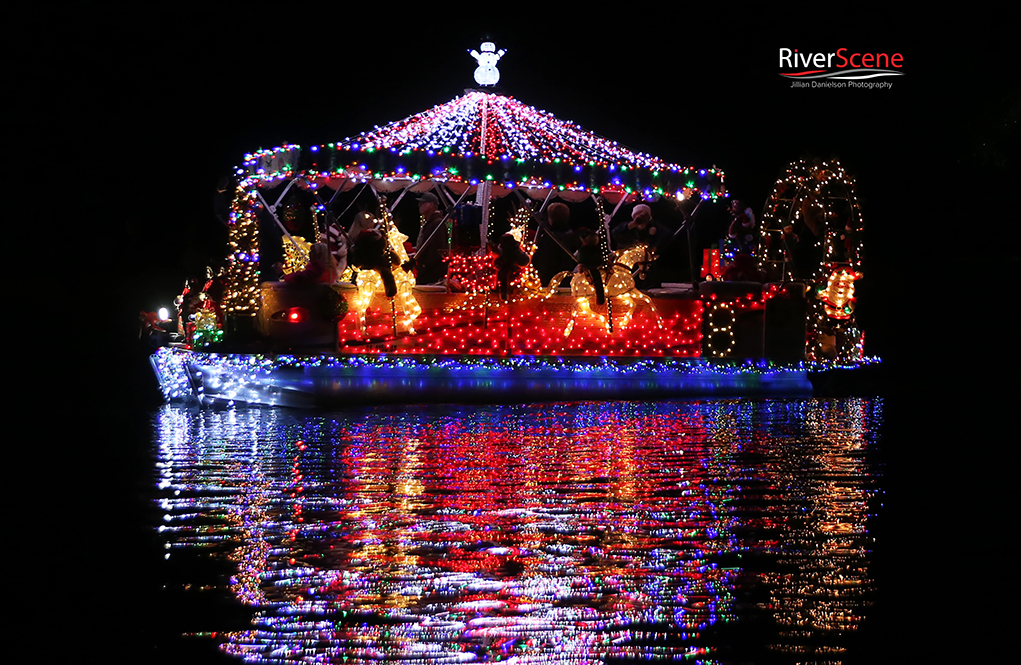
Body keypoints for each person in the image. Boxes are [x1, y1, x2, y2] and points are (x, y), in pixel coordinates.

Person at [531, 202, 579, 285]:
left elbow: (540, 258)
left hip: (548, 276)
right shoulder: (573, 235)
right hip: (567, 276)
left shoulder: (548, 236)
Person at [412, 192, 448, 285]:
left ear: (431, 204)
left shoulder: (437, 223)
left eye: (423, 203)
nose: (419, 205)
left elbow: (438, 248)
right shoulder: (431, 223)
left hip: (432, 273)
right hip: (427, 270)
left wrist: (424, 266)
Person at [492, 233, 531, 300]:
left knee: (504, 274)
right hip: (518, 265)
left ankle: (503, 292)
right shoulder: (514, 248)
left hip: (517, 265)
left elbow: (504, 267)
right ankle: (504, 292)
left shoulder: (509, 253)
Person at [574, 227, 607, 304]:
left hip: (598, 265)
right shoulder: (583, 250)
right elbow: (581, 258)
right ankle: (599, 299)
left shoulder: (597, 248)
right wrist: (581, 265)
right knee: (596, 280)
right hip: (590, 267)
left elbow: (601, 256)